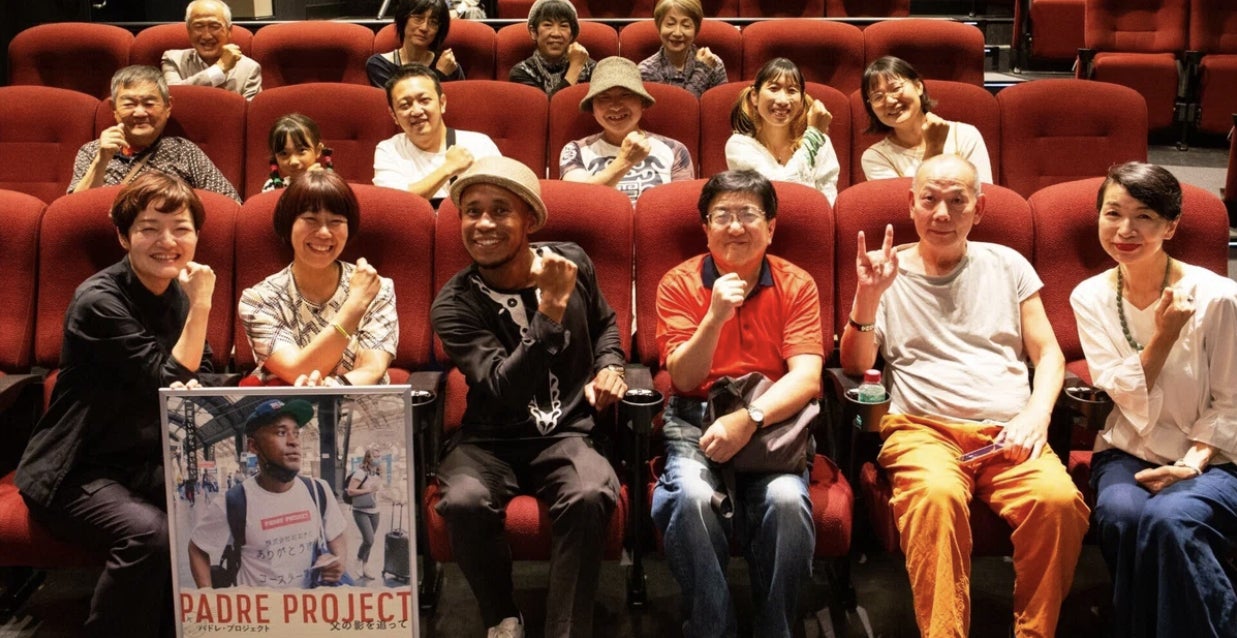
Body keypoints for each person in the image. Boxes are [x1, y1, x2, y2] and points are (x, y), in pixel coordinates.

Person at [839, 154, 1090, 637]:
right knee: (937, 498)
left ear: (979, 208)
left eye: (957, 201)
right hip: (921, 430)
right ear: (911, 204)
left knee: (1058, 503)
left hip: (1008, 431)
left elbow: (1049, 355)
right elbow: (854, 364)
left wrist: (1038, 414)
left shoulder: (1008, 264)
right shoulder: (887, 270)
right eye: (930, 199)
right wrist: (869, 294)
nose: (942, 214)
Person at [430, 156, 625, 638]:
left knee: (591, 492)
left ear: (530, 220)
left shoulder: (572, 261)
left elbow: (605, 323)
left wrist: (610, 365)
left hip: (567, 433)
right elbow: (505, 389)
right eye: (472, 211)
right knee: (463, 500)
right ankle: (502, 617)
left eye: (500, 210)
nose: (484, 224)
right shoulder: (453, 304)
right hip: (489, 439)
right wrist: (551, 308)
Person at [16, 171, 216, 637]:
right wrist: (203, 306)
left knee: (221, 508)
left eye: (181, 228)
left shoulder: (174, 293)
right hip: (75, 469)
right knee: (151, 535)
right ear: (124, 237)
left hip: (141, 461)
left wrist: (192, 375)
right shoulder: (99, 300)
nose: (168, 242)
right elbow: (165, 380)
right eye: (149, 228)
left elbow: (202, 369)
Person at [1070, 162, 1237, 637]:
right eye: (1113, 213)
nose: (1125, 230)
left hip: (1216, 456)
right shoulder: (1089, 296)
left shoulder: (1219, 296)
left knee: (1171, 520)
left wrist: (1192, 464)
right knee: (1123, 515)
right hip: (1129, 449)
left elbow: (1232, 402)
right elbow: (1118, 391)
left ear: (1170, 226)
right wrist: (1164, 336)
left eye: (1144, 216)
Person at [651, 169, 819, 637]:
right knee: (690, 498)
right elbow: (684, 378)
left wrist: (750, 418)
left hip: (771, 417)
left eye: (748, 214)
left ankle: (776, 629)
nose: (736, 226)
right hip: (695, 416)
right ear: (705, 228)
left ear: (771, 227)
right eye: (722, 215)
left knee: (787, 502)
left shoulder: (796, 283)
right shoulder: (678, 282)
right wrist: (714, 317)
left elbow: (806, 377)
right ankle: (712, 628)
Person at [239, 171, 398, 386]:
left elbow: (373, 368)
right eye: (310, 220)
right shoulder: (259, 300)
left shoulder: (375, 287)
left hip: (358, 402)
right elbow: (297, 373)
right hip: (287, 406)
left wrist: (334, 388)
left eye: (336, 221)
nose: (324, 232)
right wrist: (355, 306)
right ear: (288, 224)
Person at [188, 399, 349, 589]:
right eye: (281, 432)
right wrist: (207, 598)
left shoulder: (318, 490)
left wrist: (339, 562)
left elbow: (336, 535)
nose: (293, 442)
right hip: (257, 607)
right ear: (254, 446)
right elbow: (197, 548)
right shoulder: (233, 501)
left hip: (307, 605)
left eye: (296, 433)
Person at [69, 65, 241, 202]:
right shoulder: (92, 152)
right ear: (114, 109)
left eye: (149, 103)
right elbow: (73, 212)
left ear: (168, 107)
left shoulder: (183, 151)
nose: (140, 113)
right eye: (129, 104)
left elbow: (229, 204)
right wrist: (101, 161)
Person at [560, 56, 694, 204]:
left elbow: (681, 207)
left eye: (626, 95)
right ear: (592, 108)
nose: (616, 106)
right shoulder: (575, 150)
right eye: (604, 97)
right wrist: (625, 161)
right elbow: (577, 202)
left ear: (642, 102)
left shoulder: (675, 150)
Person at [373, 63, 501, 202]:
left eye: (424, 100)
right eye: (405, 105)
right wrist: (448, 168)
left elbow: (502, 196)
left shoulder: (479, 144)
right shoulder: (389, 150)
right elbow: (394, 202)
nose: (416, 111)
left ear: (442, 103)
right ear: (393, 115)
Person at [859, 56, 993, 184]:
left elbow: (984, 194)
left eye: (896, 88)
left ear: (918, 87)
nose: (889, 101)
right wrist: (934, 148)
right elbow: (905, 200)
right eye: (878, 97)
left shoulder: (965, 135)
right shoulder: (876, 157)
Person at [725, 58, 840, 205]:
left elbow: (828, 203)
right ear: (754, 96)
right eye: (773, 89)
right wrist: (813, 137)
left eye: (792, 91)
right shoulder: (738, 146)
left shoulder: (821, 143)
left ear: (801, 100)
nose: (782, 101)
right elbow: (780, 195)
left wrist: (815, 137)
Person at [162, 0, 262, 100]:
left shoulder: (249, 69)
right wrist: (219, 69)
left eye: (214, 27)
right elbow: (173, 96)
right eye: (198, 27)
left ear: (229, 30)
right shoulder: (173, 60)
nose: (207, 36)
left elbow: (249, 109)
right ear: (188, 30)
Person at [637, 0, 726, 98]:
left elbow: (721, 105)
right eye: (670, 24)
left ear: (696, 30)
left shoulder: (713, 64)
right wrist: (702, 72)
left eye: (686, 25)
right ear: (659, 27)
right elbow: (679, 106)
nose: (677, 33)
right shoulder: (646, 71)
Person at [367, 0, 463, 89]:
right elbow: (401, 99)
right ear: (404, 20)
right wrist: (440, 74)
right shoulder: (380, 65)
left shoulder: (449, 65)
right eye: (418, 19)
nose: (424, 28)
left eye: (433, 22)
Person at [509, 0, 595, 96]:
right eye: (548, 25)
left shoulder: (591, 69)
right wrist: (575, 69)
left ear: (572, 35)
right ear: (533, 32)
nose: (556, 34)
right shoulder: (522, 72)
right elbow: (545, 105)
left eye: (563, 26)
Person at [262, 113, 333, 192]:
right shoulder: (272, 187)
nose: (293, 162)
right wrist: (303, 183)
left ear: (318, 150)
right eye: (283, 153)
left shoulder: (329, 184)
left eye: (301, 150)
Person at [347, 448, 384, 580]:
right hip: (361, 511)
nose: (378, 459)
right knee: (369, 539)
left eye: (379, 456)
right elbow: (350, 491)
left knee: (369, 542)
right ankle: (358, 560)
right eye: (375, 456)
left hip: (375, 511)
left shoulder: (378, 474)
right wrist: (368, 490)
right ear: (368, 458)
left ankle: (365, 566)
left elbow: (378, 492)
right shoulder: (360, 473)